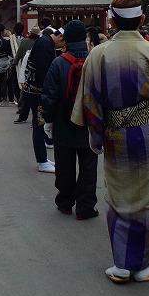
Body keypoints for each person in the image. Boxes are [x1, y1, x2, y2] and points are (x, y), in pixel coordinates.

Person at [72, 0, 149, 284]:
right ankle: (143, 265)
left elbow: (91, 102)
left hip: (115, 135)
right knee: (147, 199)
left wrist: (97, 136)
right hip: (148, 134)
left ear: (111, 20)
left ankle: (122, 264)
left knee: (119, 197)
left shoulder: (99, 54)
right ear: (142, 19)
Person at [42, 20, 98, 219]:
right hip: (89, 124)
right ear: (85, 38)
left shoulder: (59, 63)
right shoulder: (95, 60)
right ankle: (86, 206)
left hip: (63, 122)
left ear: (66, 39)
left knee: (64, 165)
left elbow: (49, 96)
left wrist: (48, 120)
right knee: (89, 167)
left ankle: (65, 202)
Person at [23, 28, 65, 172]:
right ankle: (41, 160)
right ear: (60, 37)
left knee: (39, 124)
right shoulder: (45, 44)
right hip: (37, 91)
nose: (62, 47)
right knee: (39, 124)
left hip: (34, 89)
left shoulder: (44, 41)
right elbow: (44, 72)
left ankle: (43, 158)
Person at [13, 25, 40, 123]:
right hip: (38, 72)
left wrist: (14, 63)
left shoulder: (24, 42)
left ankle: (22, 112)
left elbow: (18, 55)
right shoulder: (40, 42)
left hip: (27, 70)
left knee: (25, 93)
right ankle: (36, 119)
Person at [10, 22, 24, 103]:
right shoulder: (25, 40)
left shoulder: (11, 40)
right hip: (23, 63)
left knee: (15, 82)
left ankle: (18, 98)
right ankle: (23, 99)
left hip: (13, 63)